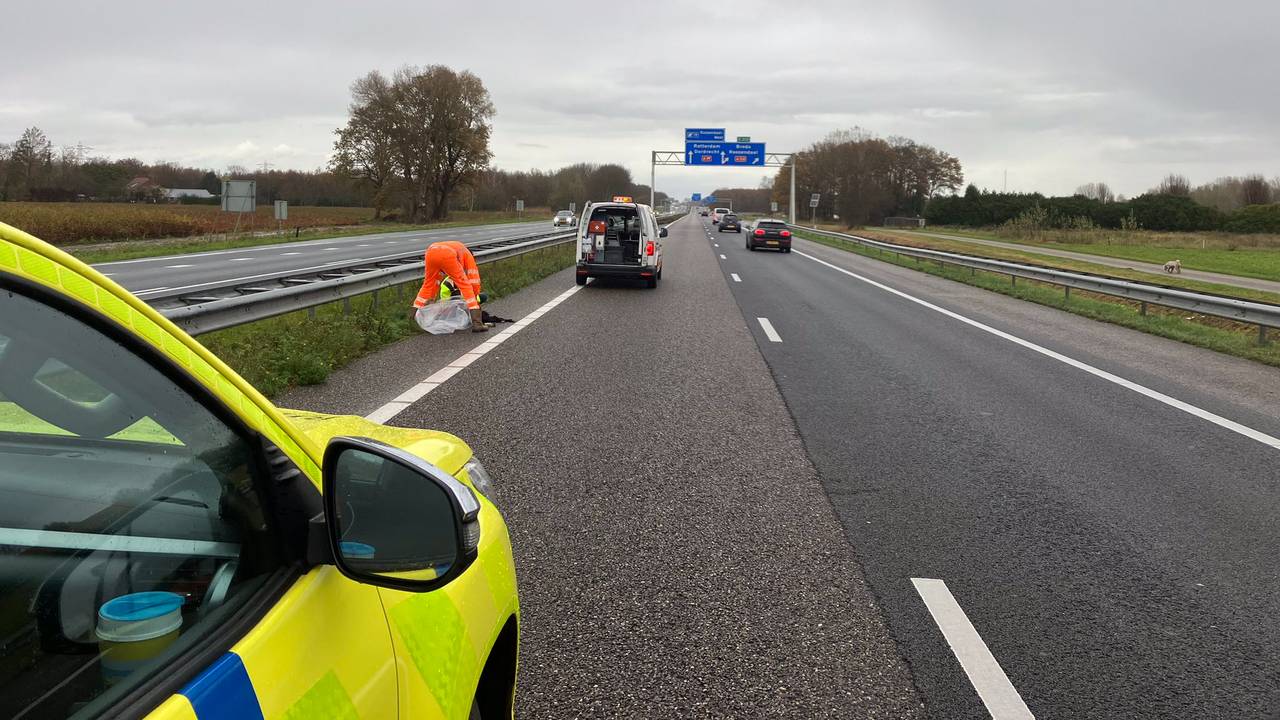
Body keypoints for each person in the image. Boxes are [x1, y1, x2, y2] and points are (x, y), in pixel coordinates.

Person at [413, 240, 487, 333]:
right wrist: (476, 302)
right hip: (447, 254)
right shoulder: (468, 255)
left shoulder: (457, 248)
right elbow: (474, 281)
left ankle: (413, 319)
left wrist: (430, 301)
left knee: (428, 285)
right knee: (466, 286)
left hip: (430, 251)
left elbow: (432, 288)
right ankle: (477, 324)